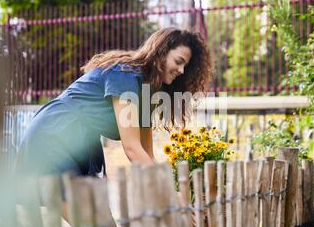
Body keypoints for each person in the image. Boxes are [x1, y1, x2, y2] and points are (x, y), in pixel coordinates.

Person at [13, 27, 212, 178]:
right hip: (55, 133)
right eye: (179, 61)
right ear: (161, 51)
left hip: (82, 143)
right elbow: (132, 148)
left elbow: (146, 154)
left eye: (185, 65)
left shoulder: (146, 92)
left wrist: (170, 186)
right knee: (91, 224)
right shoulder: (125, 74)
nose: (182, 71)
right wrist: (169, 191)